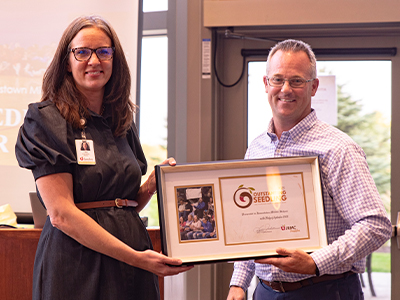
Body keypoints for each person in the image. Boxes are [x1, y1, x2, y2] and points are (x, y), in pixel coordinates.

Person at [15, 15, 192, 300]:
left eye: (103, 52)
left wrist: (149, 186)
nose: (94, 61)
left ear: (114, 60)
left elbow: (121, 205)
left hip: (131, 260)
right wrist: (137, 258)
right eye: (82, 52)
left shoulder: (121, 120)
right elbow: (61, 215)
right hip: (76, 265)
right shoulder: (46, 119)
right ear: (67, 62)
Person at [227, 39, 392, 300]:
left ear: (313, 86)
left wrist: (316, 262)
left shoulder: (338, 148)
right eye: (278, 79)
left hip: (325, 290)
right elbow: (251, 226)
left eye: (297, 81)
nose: (285, 89)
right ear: (265, 84)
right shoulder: (256, 148)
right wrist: (239, 282)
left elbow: (376, 225)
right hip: (264, 292)